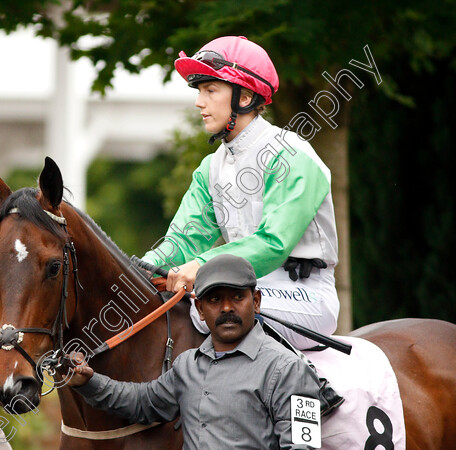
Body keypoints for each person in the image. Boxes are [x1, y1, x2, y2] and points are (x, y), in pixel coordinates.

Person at [68, 255, 321, 450]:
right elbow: (142, 402)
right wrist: (88, 382)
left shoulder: (290, 368)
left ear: (257, 301)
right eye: (214, 300)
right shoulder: (187, 365)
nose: (226, 307)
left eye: (237, 297)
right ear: (199, 309)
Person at [142, 35, 339, 352]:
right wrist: (142, 268)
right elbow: (184, 239)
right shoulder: (210, 169)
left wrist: (202, 265)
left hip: (305, 295)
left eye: (210, 90)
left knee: (214, 309)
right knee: (177, 309)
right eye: (199, 91)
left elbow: (273, 243)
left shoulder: (292, 156)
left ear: (244, 97)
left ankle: (310, 393)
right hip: (242, 287)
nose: (199, 102)